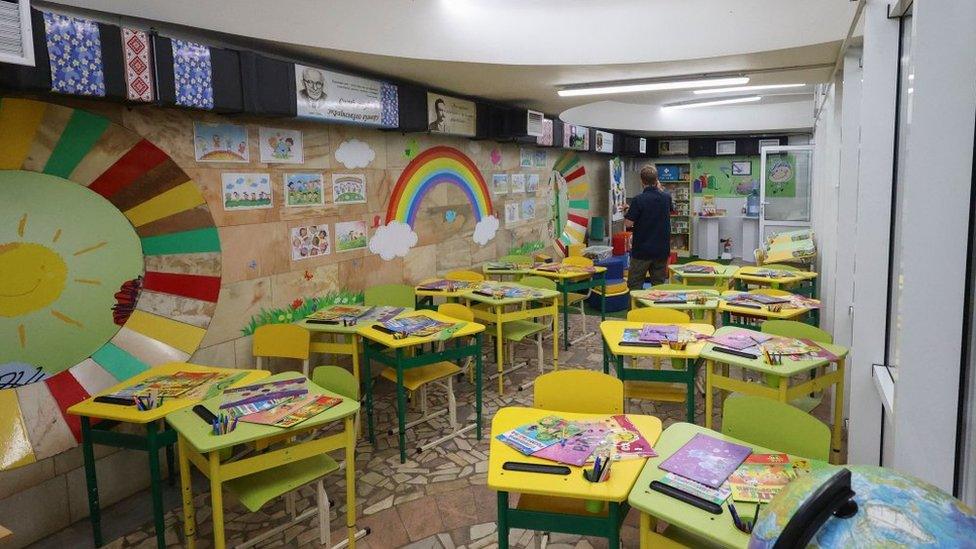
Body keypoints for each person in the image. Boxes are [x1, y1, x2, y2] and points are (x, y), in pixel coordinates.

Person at [624, 165, 672, 290]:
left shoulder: (638, 200)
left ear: (641, 181)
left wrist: (628, 212)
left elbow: (628, 223)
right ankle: (656, 310)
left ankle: (636, 309)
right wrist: (660, 188)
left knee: (635, 284)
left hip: (642, 251)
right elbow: (663, 211)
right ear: (657, 180)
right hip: (661, 250)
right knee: (659, 286)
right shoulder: (666, 198)